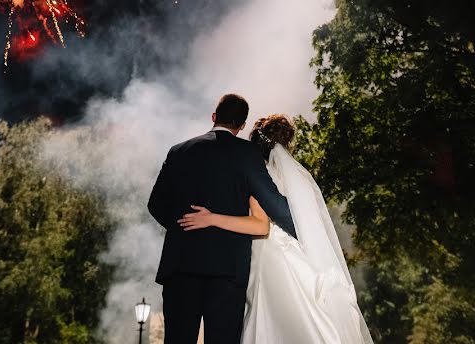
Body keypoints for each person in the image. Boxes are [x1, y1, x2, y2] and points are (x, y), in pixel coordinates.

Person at [179, 115, 374, 344]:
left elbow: (261, 219)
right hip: (293, 248)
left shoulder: (256, 172)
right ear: (286, 143)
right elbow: (298, 219)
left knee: (266, 315)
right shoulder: (298, 176)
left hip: (266, 248)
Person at [147, 94, 297, 344]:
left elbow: (155, 205)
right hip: (227, 271)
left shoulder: (178, 151)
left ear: (214, 117)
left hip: (181, 268)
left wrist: (184, 226)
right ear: (241, 125)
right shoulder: (247, 154)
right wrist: (307, 231)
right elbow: (274, 205)